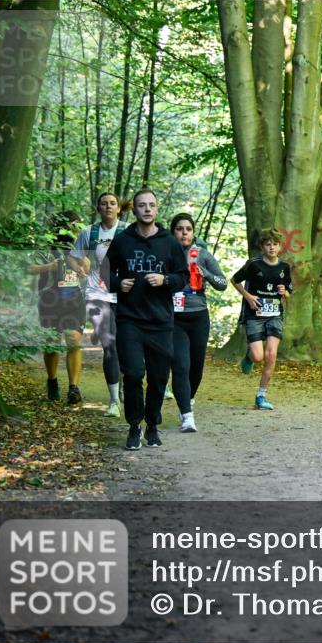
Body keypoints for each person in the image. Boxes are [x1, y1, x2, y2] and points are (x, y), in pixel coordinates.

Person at [105, 189, 188, 450]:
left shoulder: (169, 242)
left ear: (157, 209)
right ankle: (133, 426)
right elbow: (105, 273)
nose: (147, 209)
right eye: (142, 205)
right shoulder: (123, 240)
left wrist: (166, 280)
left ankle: (152, 425)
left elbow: (183, 276)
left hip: (161, 322)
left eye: (151, 205)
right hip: (130, 319)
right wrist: (119, 284)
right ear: (134, 210)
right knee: (133, 373)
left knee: (158, 378)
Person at [69, 192, 128, 416]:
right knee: (109, 345)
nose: (108, 207)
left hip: (124, 294)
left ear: (119, 208)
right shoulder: (89, 232)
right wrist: (80, 269)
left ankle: (121, 387)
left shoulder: (128, 231)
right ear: (98, 208)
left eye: (112, 203)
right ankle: (114, 402)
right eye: (104, 204)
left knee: (124, 346)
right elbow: (73, 257)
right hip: (97, 294)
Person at [169, 213, 227, 432]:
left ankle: (188, 399)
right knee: (180, 365)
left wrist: (207, 275)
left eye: (188, 229)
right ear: (173, 232)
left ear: (193, 233)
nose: (184, 232)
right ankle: (187, 415)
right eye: (179, 229)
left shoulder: (202, 255)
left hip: (198, 316)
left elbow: (223, 283)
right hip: (174, 318)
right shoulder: (165, 254)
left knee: (196, 368)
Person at [231, 228, 292, 410]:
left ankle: (261, 396)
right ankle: (248, 358)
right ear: (262, 247)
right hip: (255, 314)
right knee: (258, 356)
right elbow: (234, 280)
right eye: (268, 244)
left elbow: (288, 292)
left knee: (271, 355)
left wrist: (285, 293)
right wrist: (248, 296)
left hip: (274, 314)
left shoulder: (284, 267)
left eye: (275, 244)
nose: (271, 247)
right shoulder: (253, 264)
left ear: (280, 247)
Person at [32, 211, 86, 404]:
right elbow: (29, 268)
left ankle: (74, 387)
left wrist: (79, 258)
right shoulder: (46, 246)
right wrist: (50, 267)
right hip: (50, 300)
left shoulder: (80, 244)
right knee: (52, 342)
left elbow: (87, 268)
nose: (77, 229)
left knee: (73, 338)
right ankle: (52, 381)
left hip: (74, 300)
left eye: (79, 226)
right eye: (75, 225)